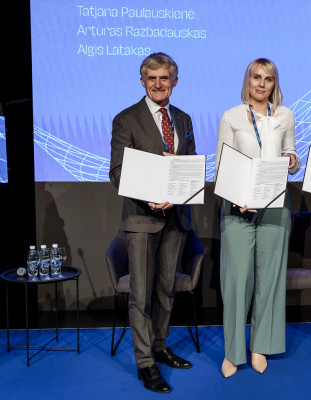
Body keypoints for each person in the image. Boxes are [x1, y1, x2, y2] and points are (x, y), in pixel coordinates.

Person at [109, 52, 196, 393]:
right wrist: (149, 195)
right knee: (141, 296)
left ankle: (159, 346)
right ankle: (145, 363)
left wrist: (177, 190)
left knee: (165, 291)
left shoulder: (184, 119)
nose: (158, 84)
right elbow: (117, 172)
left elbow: (190, 165)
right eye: (152, 78)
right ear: (142, 81)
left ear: (175, 81)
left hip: (175, 216)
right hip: (142, 218)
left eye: (164, 78)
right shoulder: (126, 119)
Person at [215, 58, 300, 378]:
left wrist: (292, 160)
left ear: (274, 83)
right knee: (237, 281)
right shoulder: (231, 116)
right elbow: (222, 164)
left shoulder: (285, 115)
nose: (262, 84)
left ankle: (260, 346)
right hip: (238, 206)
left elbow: (292, 157)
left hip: (275, 205)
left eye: (268, 79)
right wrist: (238, 197)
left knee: (270, 281)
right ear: (247, 81)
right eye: (256, 77)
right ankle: (233, 351)